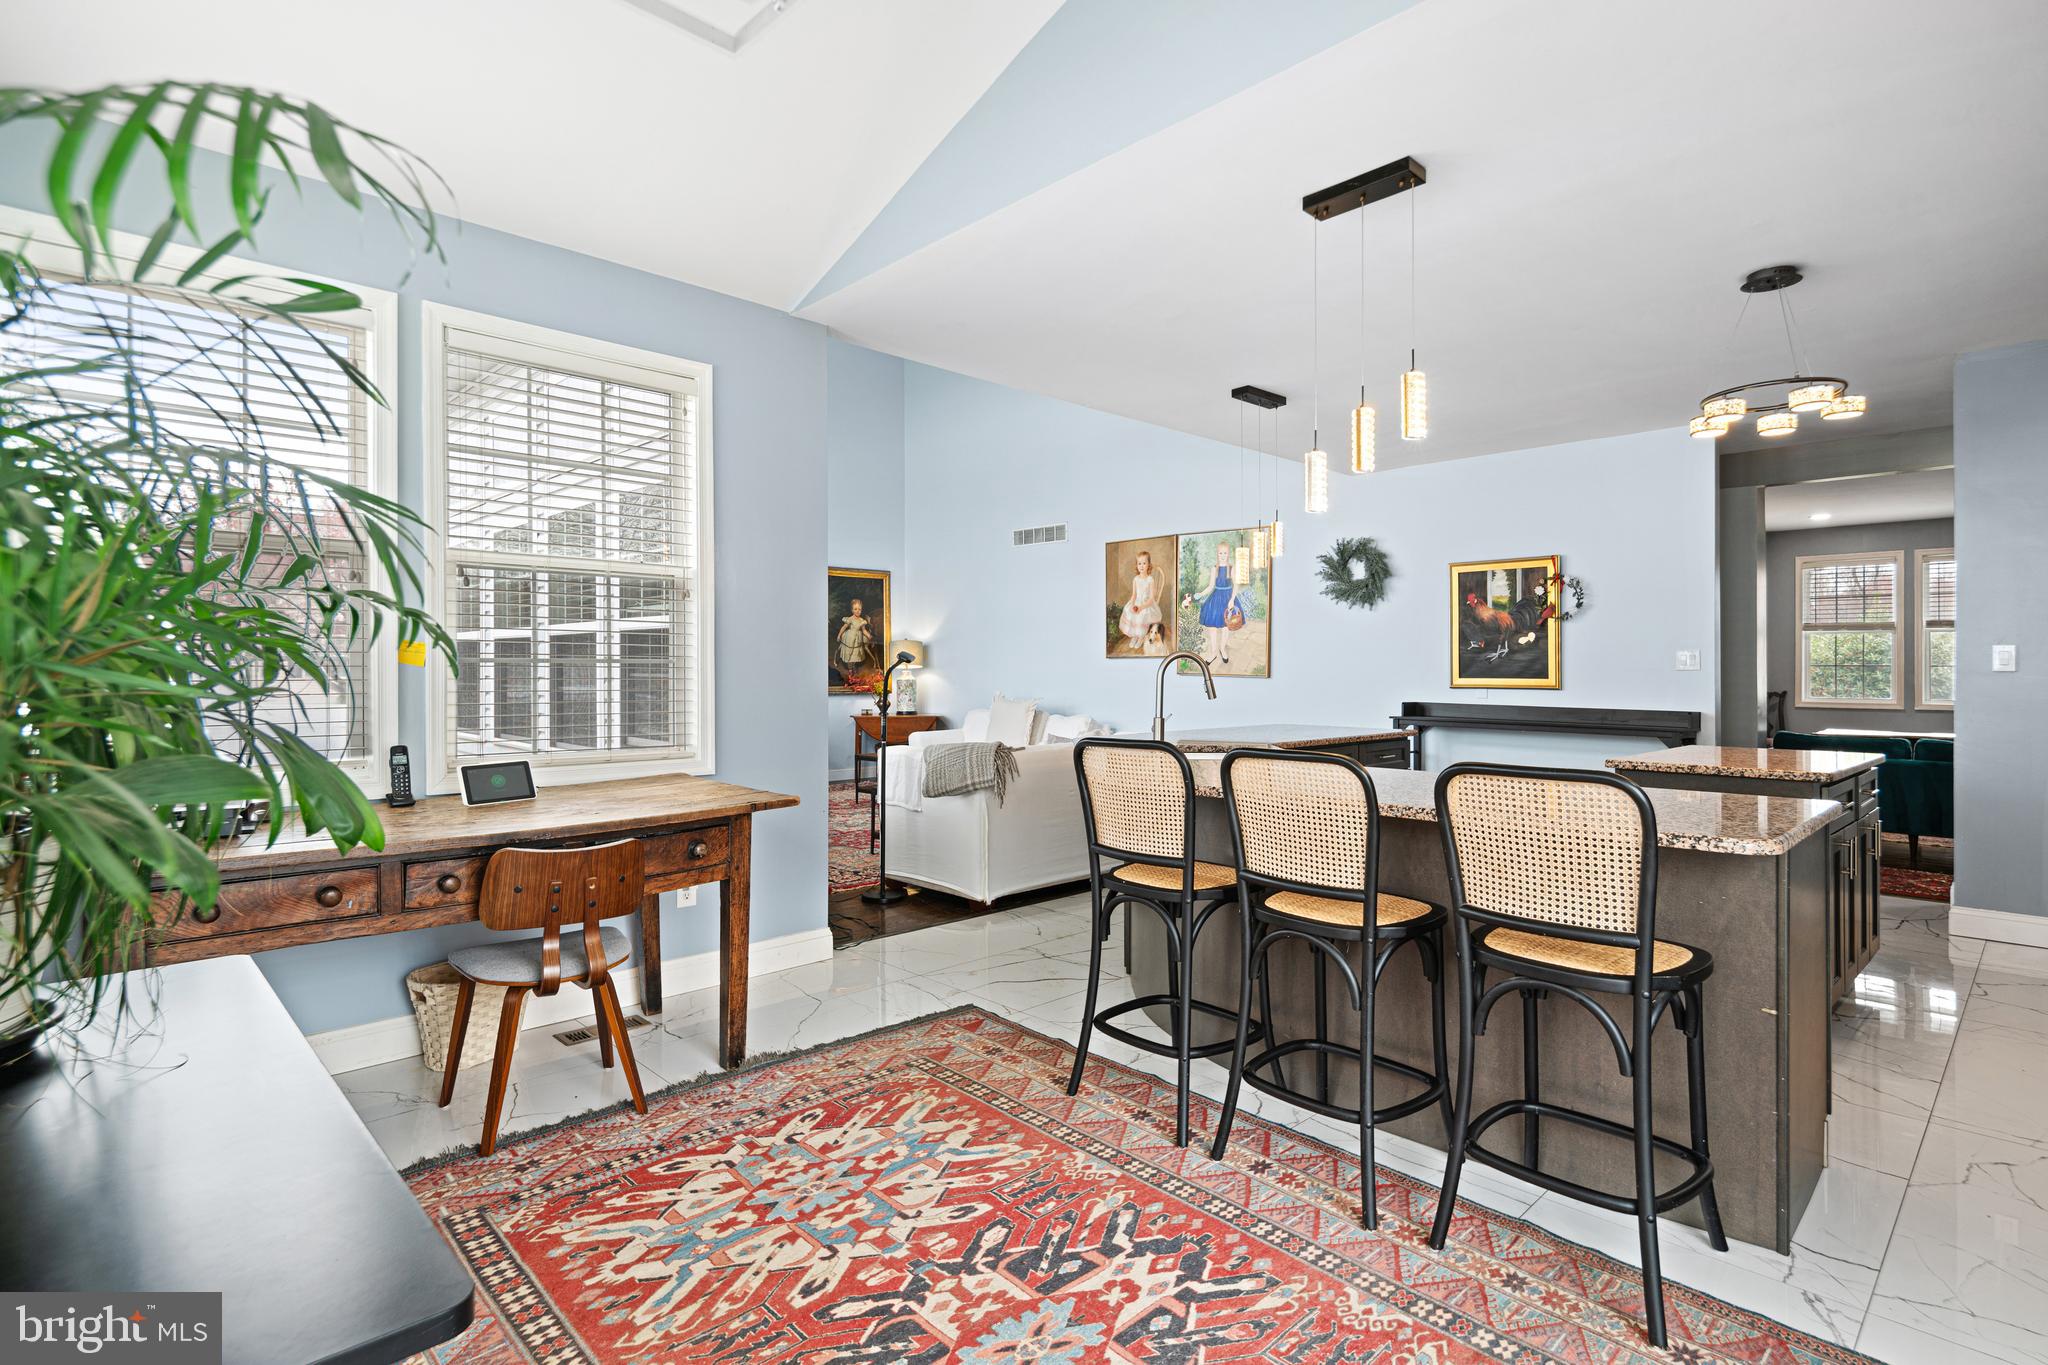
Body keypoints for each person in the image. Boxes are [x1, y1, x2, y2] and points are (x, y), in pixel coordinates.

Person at [1182, 541, 1242, 666]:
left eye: (1225, 553)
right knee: (1212, 627)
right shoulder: (1215, 568)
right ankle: (1214, 652)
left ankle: (1222, 649)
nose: (1223, 555)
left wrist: (1232, 600)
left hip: (1227, 599)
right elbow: (1210, 586)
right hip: (1216, 597)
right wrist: (1200, 594)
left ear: (1228, 554)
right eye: (1220, 553)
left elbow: (1236, 585)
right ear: (1217, 554)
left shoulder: (1231, 568)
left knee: (1226, 626)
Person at [1117, 549, 1165, 653]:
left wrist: (1141, 607)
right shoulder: (1136, 579)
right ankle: (1135, 635)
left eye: (1144, 563)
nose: (1142, 566)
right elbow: (1134, 595)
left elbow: (1152, 599)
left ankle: (1141, 637)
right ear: (1137, 565)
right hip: (1137, 602)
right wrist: (1133, 604)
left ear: (1148, 565)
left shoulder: (1150, 579)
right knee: (1129, 611)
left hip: (1147, 604)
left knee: (1143, 614)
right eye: (1139, 563)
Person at [835, 597, 876, 685]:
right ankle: (850, 670)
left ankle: (852, 668)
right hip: (849, 638)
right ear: (852, 610)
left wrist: (869, 636)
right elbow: (844, 627)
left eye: (859, 609)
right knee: (849, 654)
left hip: (857, 639)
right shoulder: (850, 619)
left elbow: (864, 630)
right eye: (855, 609)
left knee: (855, 654)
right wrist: (839, 635)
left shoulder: (861, 620)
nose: (857, 611)